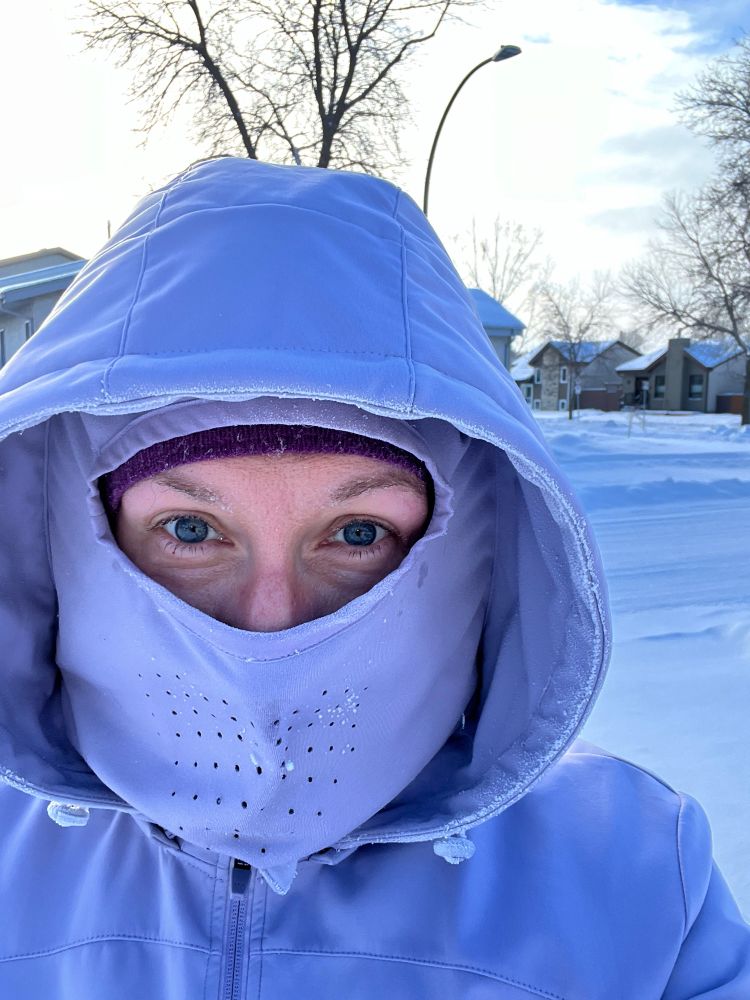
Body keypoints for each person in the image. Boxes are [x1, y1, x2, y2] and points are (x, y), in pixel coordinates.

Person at [0, 156, 747, 999]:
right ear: (67, 539)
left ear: (472, 555)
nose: (269, 627)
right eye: (189, 529)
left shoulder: (636, 878)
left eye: (358, 533)